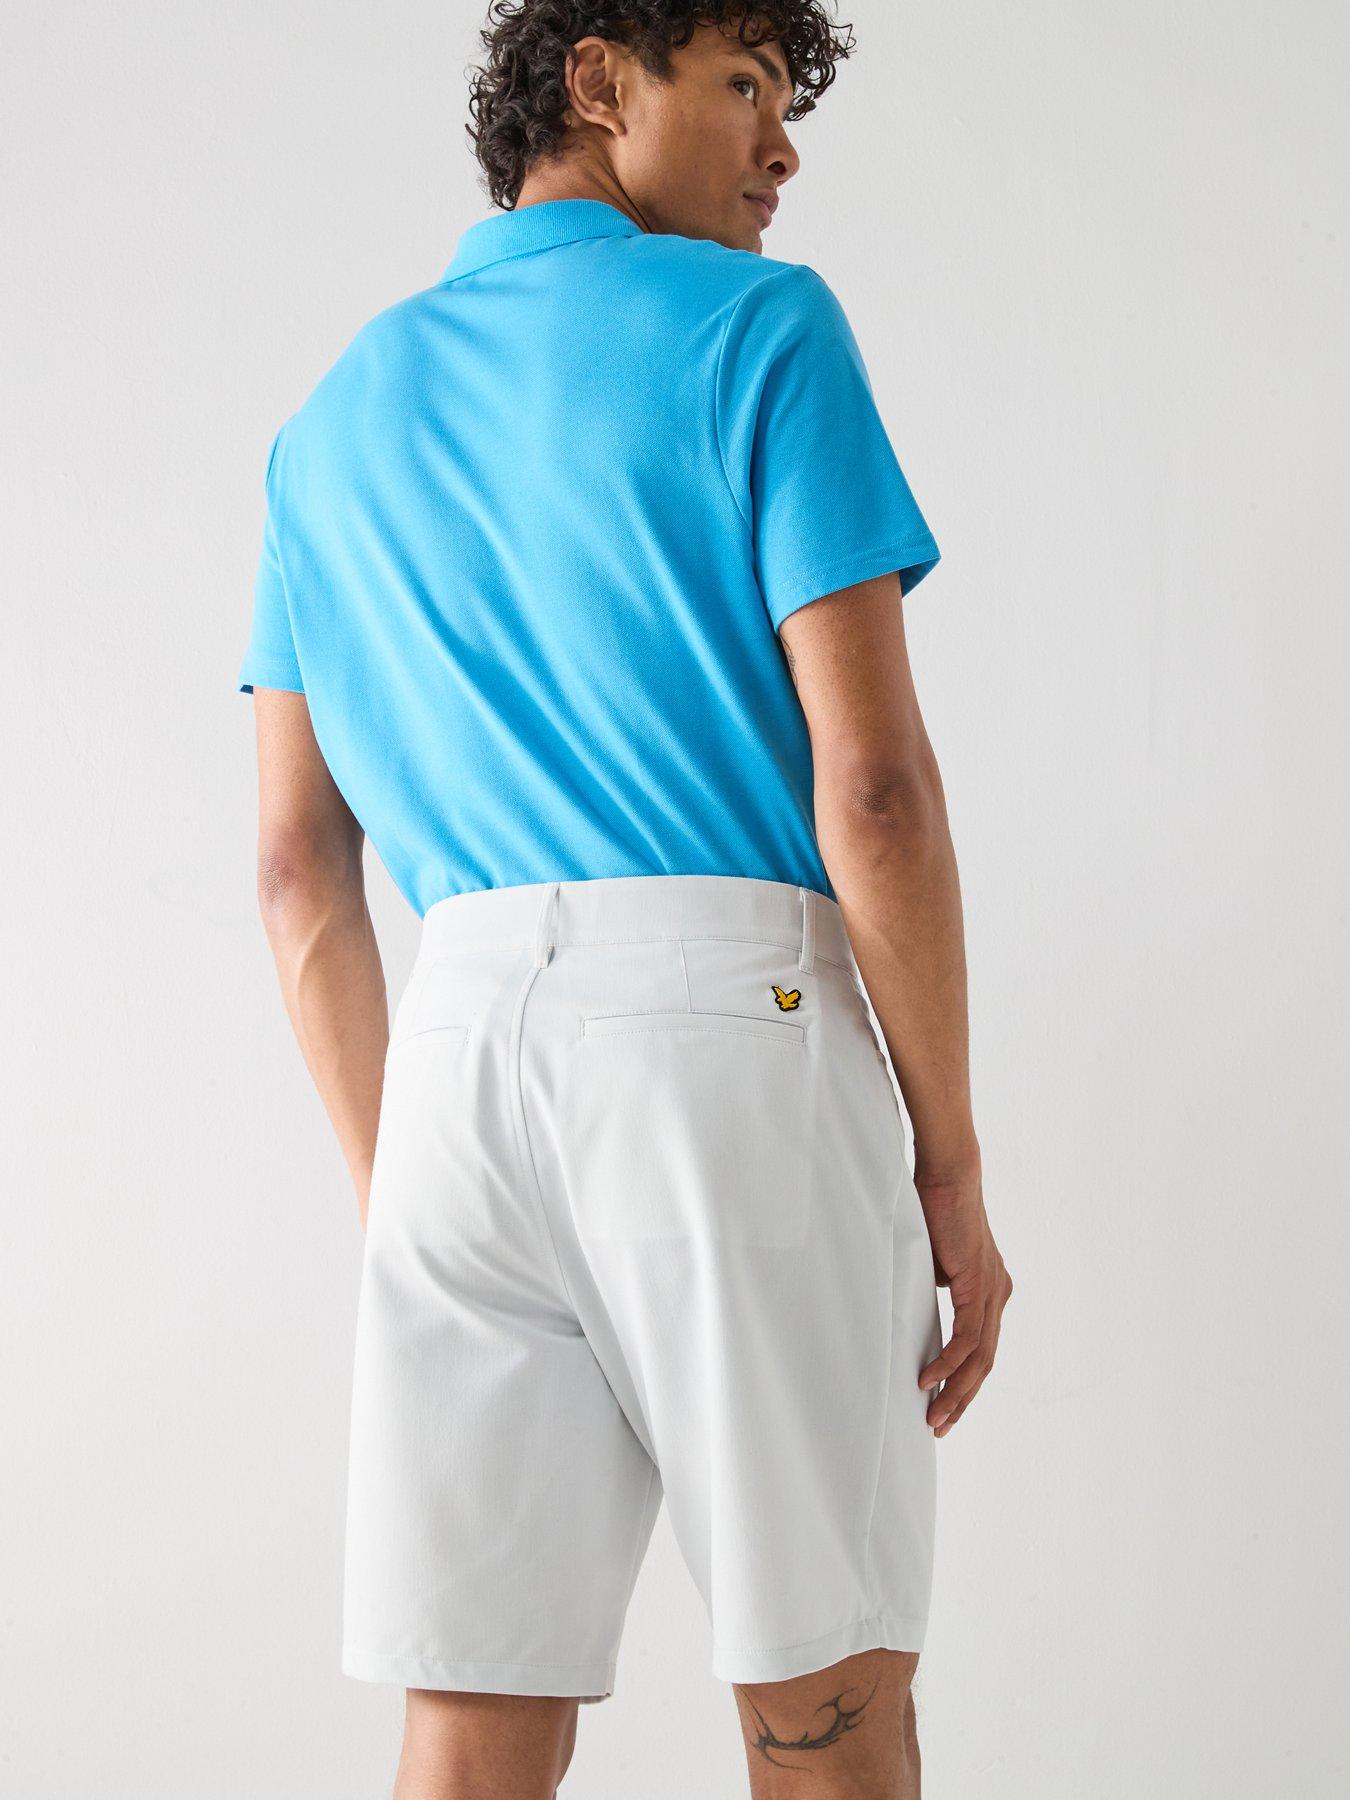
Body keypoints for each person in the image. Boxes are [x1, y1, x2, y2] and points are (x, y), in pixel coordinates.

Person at [237, 5, 1011, 1795]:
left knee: (471, 1715)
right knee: (823, 1698)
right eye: (743, 87)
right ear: (596, 82)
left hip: (449, 1076)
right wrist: (950, 1167)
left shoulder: (326, 424)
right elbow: (873, 791)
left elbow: (293, 870)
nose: (781, 149)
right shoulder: (756, 326)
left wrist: (397, 1187)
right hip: (721, 1036)